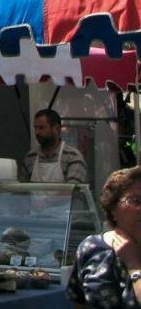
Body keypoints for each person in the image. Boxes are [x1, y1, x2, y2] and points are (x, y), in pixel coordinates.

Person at [67, 166, 141, 307]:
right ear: (113, 207)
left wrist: (134, 265)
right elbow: (79, 303)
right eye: (136, 201)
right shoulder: (91, 248)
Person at [21, 109, 88, 183]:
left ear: (56, 129)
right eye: (35, 128)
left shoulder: (72, 156)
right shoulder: (30, 157)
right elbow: (22, 191)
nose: (37, 132)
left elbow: (73, 191)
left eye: (41, 128)